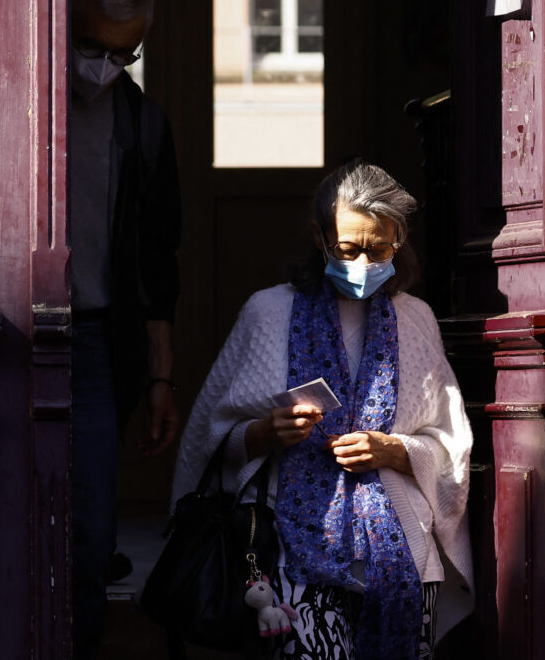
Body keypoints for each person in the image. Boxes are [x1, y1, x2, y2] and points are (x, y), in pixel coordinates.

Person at [171, 161, 473, 659]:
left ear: (399, 241)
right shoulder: (267, 311)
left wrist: (394, 449)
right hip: (286, 552)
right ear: (318, 236)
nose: (362, 264)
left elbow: (450, 444)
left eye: (379, 249)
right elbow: (211, 436)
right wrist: (265, 433)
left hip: (403, 554)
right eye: (347, 248)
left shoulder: (415, 318)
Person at [68, 0, 182, 658]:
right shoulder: (15, 102)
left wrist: (161, 378)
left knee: (90, 530)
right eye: (91, 47)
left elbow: (158, 259)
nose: (104, 68)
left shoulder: (142, 124)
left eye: (125, 54)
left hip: (96, 340)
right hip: (5, 328)